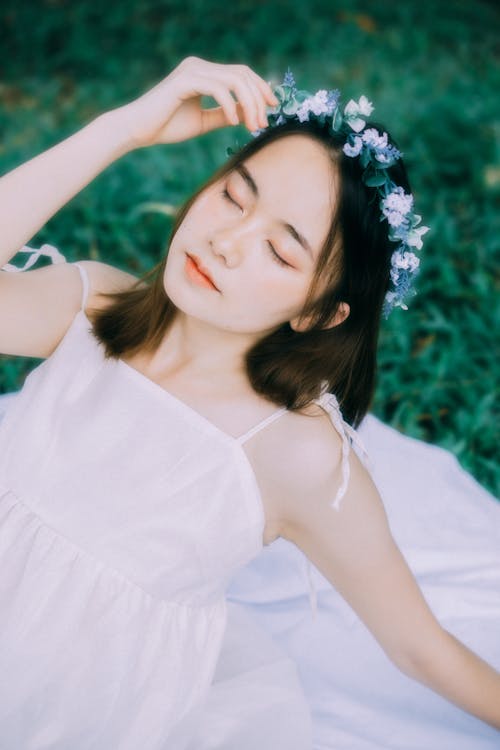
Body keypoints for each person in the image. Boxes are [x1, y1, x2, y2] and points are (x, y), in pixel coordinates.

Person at [0, 55, 498, 748]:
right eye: (235, 196)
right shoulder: (90, 307)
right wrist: (121, 130)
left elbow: (420, 647)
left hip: (80, 708)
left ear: (319, 315)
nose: (226, 242)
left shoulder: (292, 453)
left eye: (283, 252)